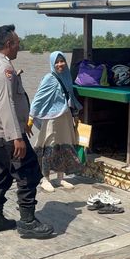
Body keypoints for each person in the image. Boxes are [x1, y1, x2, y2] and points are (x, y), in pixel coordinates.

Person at [0, 24, 54, 238]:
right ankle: (28, 222)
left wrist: (22, 126)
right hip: (4, 134)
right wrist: (16, 138)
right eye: (18, 43)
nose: (19, 47)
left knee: (3, 172)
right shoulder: (4, 69)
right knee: (29, 172)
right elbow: (6, 104)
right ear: (8, 44)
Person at [28, 51, 84, 192]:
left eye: (62, 61)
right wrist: (30, 118)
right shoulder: (49, 78)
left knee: (65, 145)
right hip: (51, 118)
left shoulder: (66, 77)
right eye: (57, 62)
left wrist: (76, 114)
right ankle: (45, 179)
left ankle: (60, 177)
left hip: (65, 117)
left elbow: (70, 97)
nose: (60, 64)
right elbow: (38, 98)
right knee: (50, 147)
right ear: (52, 64)